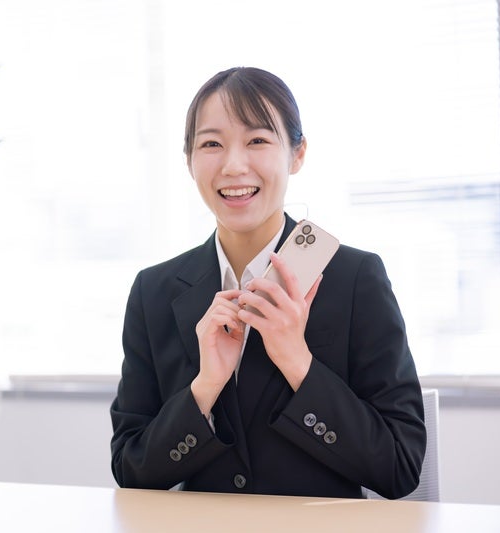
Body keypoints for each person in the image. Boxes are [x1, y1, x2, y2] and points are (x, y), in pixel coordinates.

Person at [109, 66, 426, 499]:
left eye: (257, 140)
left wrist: (297, 361)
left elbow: (399, 467)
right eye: (211, 144)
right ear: (189, 161)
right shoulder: (154, 292)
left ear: (297, 154)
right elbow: (131, 470)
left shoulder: (355, 279)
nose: (233, 165)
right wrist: (205, 387)